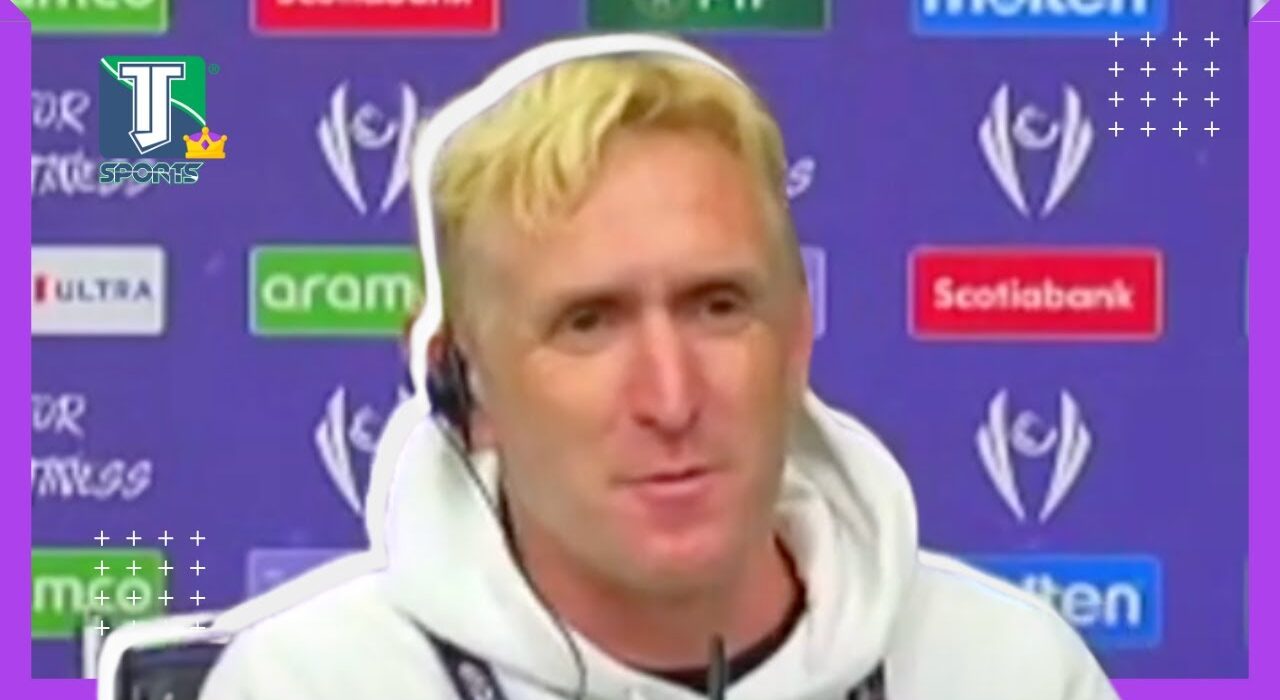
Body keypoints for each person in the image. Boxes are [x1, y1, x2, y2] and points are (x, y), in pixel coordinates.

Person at [197, 33, 1119, 700]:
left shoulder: (1011, 672)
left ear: (798, 335)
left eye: (717, 307)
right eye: (588, 324)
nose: (672, 400)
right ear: (461, 384)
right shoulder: (312, 685)